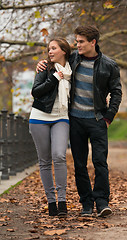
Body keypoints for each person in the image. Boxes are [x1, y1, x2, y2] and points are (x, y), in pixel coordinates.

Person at [36, 25, 122, 218]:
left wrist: (108, 117)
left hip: (98, 120)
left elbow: (116, 92)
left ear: (93, 42)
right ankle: (86, 204)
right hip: (75, 121)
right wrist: (41, 64)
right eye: (77, 41)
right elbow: (54, 61)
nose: (78, 45)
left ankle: (101, 203)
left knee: (100, 162)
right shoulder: (73, 59)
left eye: (81, 41)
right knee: (80, 164)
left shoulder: (109, 64)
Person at [29, 37, 72, 217]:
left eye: (54, 48)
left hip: (61, 117)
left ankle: (62, 200)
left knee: (59, 156)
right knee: (45, 161)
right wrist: (54, 79)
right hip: (39, 118)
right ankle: (52, 203)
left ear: (64, 50)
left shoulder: (73, 69)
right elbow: (36, 92)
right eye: (49, 49)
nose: (50, 52)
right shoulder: (45, 67)